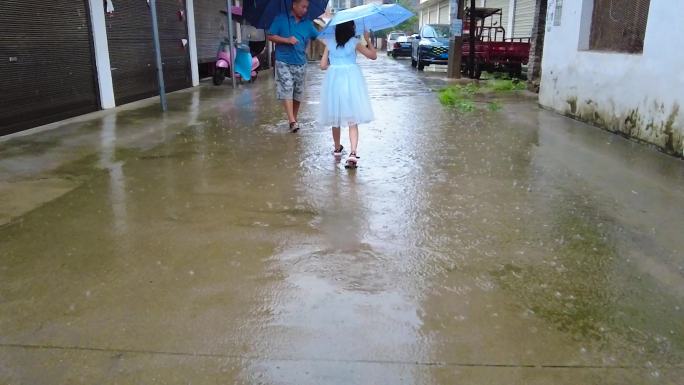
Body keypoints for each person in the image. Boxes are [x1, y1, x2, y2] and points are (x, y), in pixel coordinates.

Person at [319, 21, 377, 168]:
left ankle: (337, 149)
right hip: (352, 81)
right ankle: (352, 153)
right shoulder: (354, 42)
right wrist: (368, 39)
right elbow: (373, 56)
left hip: (334, 81)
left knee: (335, 117)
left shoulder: (330, 43)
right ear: (351, 28)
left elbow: (323, 66)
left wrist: (336, 65)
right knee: (352, 118)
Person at [267, 0, 319, 133]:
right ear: (294, 5)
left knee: (298, 92)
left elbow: (317, 37)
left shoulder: (308, 24)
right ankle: (292, 120)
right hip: (283, 60)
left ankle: (293, 120)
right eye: (303, 7)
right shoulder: (280, 19)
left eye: (307, 7)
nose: (305, 10)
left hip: (300, 62)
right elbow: (270, 36)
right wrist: (286, 40)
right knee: (287, 87)